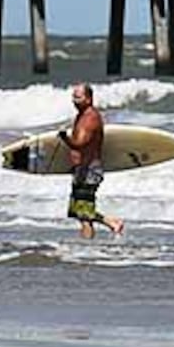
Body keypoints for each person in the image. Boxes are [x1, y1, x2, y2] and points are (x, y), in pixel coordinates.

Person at [58, 83, 123, 239]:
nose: (75, 100)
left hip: (89, 170)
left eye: (78, 97)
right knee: (79, 211)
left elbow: (80, 144)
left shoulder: (89, 118)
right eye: (73, 97)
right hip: (82, 169)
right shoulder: (81, 115)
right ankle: (112, 223)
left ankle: (86, 250)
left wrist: (64, 138)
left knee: (84, 215)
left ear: (89, 98)